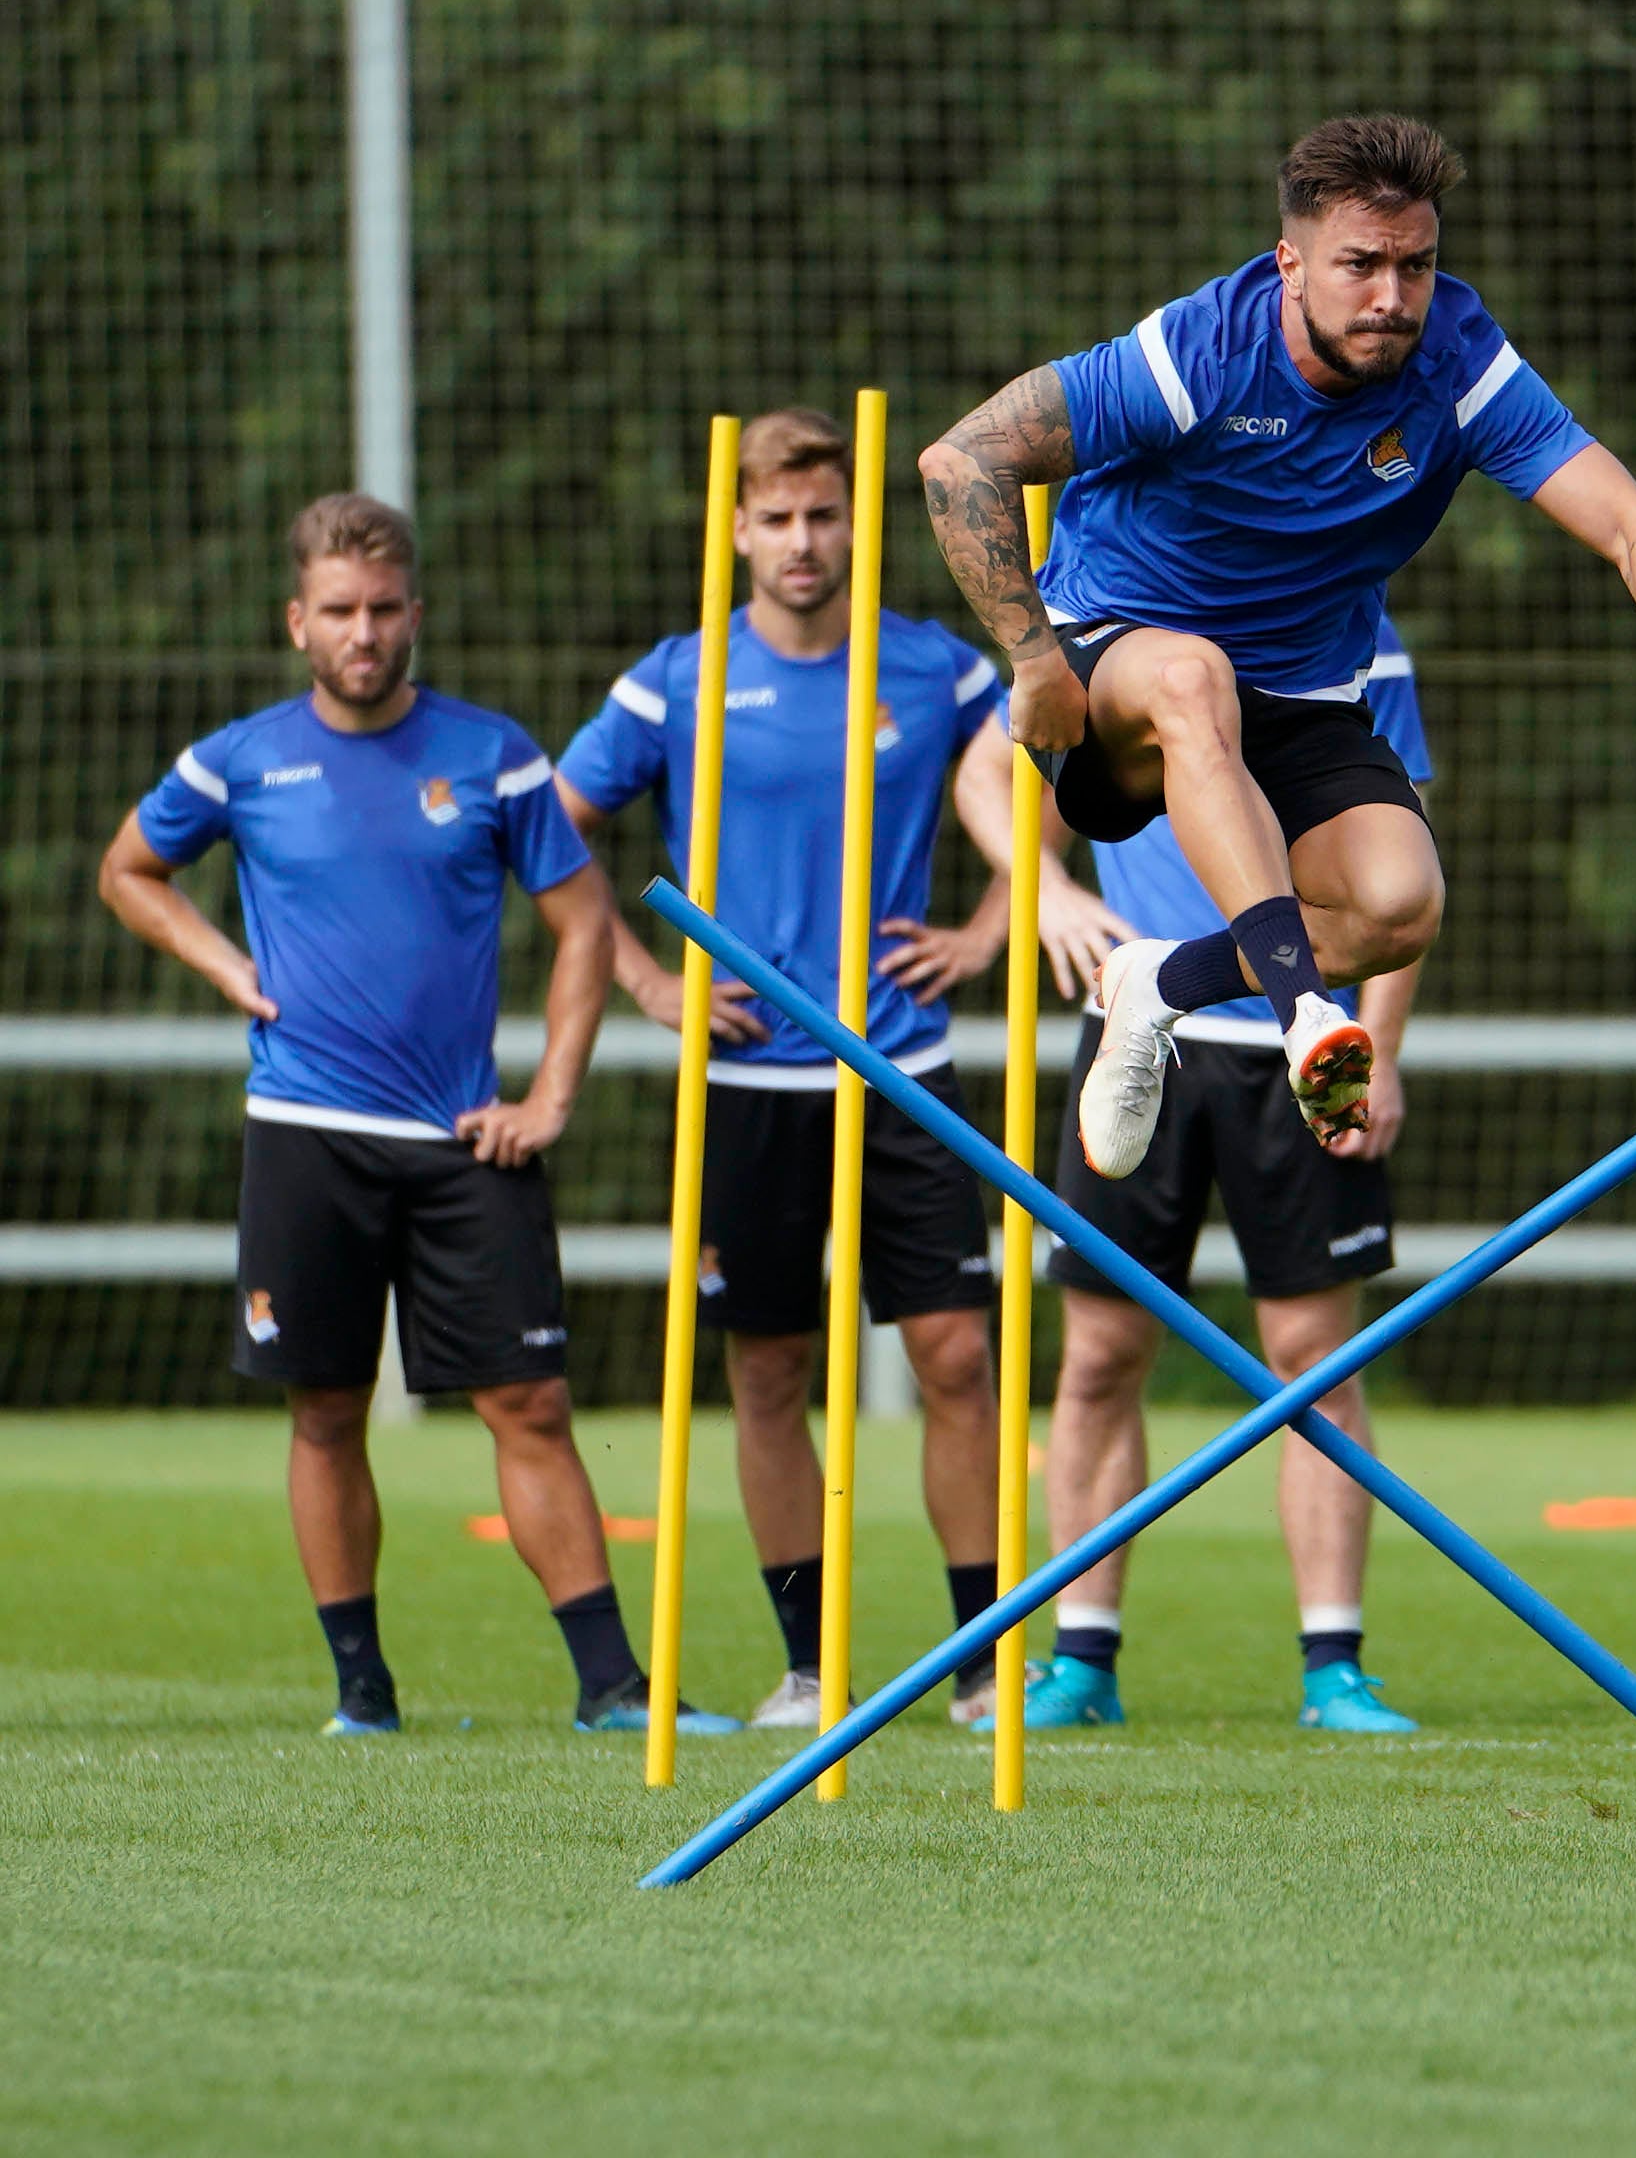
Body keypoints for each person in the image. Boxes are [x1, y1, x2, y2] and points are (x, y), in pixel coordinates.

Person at [919, 111, 1636, 1182]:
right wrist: (1034, 660)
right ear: (1290, 263)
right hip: (1115, 666)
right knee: (1194, 676)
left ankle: (1160, 985)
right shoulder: (1196, 355)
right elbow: (958, 464)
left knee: (1397, 906)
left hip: (1300, 693)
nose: (1389, 297)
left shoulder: (1457, 362)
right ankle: (1301, 1021)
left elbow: (1627, 519)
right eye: (1359, 265)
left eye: (1414, 266)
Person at [96, 494, 725, 1738]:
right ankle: (362, 1695)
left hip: (460, 1141)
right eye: (339, 611)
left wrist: (548, 1096)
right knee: (323, 1408)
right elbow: (128, 869)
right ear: (297, 623)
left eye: (384, 610)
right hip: (303, 1134)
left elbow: (584, 924)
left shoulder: (494, 754)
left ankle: (612, 1690)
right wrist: (224, 968)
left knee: (532, 1407)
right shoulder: (239, 759)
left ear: (414, 615)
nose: (364, 632)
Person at [555, 408, 1124, 1730]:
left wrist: (997, 920)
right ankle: (811, 1667)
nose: (803, 542)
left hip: (905, 1070)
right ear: (738, 530)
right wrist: (646, 979)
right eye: (776, 519)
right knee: (762, 1372)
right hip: (748, 1081)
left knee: (955, 1357)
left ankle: (982, 1668)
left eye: (824, 516)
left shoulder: (932, 669)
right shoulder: (678, 677)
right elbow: (554, 827)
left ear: (855, 526)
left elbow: (1045, 767)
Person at [955, 619, 1431, 1736]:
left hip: (1297, 1039)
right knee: (1101, 1353)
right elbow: (990, 769)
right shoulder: (1114, 621)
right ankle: (1081, 1657)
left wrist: (1384, 1049)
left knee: (1314, 1355)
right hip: (1133, 1037)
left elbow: (1400, 850)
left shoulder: (1355, 630)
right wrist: (1041, 891)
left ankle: (1332, 1665)